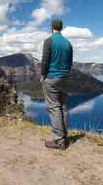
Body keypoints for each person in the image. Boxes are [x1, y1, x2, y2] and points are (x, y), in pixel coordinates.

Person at [41, 18, 73, 150]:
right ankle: (64, 137)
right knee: (63, 107)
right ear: (62, 28)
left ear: (51, 27)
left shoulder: (49, 41)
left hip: (52, 78)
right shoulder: (68, 43)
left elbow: (45, 61)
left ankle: (59, 141)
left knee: (54, 108)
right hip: (64, 78)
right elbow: (70, 63)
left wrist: (43, 77)